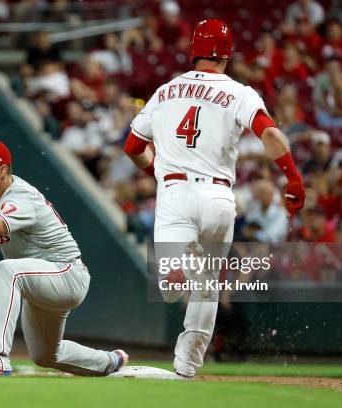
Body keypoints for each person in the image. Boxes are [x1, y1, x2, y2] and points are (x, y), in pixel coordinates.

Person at [123, 20, 305, 378]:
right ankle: (187, 366)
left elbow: (132, 147)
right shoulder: (240, 92)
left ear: (194, 50)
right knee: (207, 285)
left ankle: (175, 270)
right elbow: (269, 133)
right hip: (219, 196)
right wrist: (293, 177)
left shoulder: (165, 91)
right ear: (227, 54)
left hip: (175, 190)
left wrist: (156, 171)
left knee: (171, 286)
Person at [0, 138, 128, 376]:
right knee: (46, 355)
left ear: (2, 170)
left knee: (8, 270)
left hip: (67, 274)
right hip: (41, 279)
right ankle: (110, 361)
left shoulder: (21, 196)